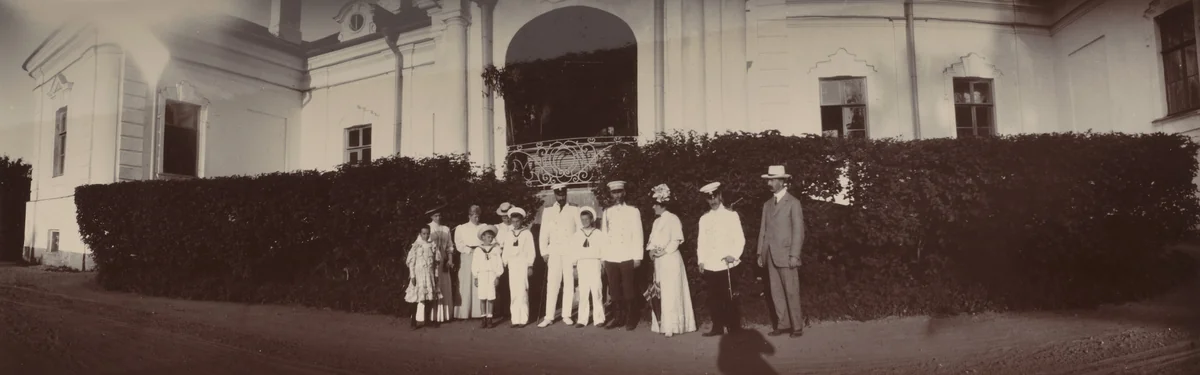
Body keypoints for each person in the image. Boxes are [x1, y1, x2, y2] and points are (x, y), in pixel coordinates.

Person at [757, 165, 806, 338]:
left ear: (782, 181)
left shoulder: (793, 203)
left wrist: (794, 254)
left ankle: (797, 326)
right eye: (768, 180)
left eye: (772, 180)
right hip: (770, 255)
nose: (769, 183)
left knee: (791, 291)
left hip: (786, 255)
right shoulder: (767, 204)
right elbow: (763, 229)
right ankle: (783, 324)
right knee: (776, 291)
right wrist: (760, 253)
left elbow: (798, 231)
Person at [645, 184, 697, 338]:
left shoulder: (673, 218)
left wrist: (664, 251)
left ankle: (673, 326)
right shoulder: (656, 222)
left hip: (671, 259)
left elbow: (676, 239)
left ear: (661, 204)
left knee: (671, 291)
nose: (653, 207)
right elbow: (651, 241)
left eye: (655, 204)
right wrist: (651, 251)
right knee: (660, 290)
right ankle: (662, 324)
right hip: (659, 262)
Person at [697, 182, 746, 337]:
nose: (713, 201)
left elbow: (740, 238)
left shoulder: (731, 215)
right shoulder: (704, 219)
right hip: (711, 264)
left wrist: (734, 255)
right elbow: (701, 241)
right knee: (714, 298)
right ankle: (717, 327)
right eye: (709, 198)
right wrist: (701, 260)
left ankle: (734, 327)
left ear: (720, 196)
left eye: (715, 197)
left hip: (727, 263)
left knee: (729, 297)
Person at [601, 180, 644, 331]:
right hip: (611, 256)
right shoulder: (607, 212)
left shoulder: (633, 211)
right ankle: (618, 318)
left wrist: (638, 256)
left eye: (619, 192)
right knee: (614, 289)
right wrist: (603, 258)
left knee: (628, 288)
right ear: (611, 194)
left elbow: (638, 234)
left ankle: (631, 318)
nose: (617, 195)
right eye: (614, 192)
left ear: (624, 193)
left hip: (627, 255)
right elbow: (604, 236)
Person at [538, 183, 581, 328]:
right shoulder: (548, 211)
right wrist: (544, 252)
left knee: (569, 283)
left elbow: (579, 233)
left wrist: (577, 254)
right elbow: (544, 233)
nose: (561, 197)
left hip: (569, 251)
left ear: (566, 193)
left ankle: (566, 315)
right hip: (554, 252)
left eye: (563, 194)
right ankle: (549, 316)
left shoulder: (575, 209)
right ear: (554, 194)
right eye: (558, 194)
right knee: (552, 284)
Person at [500, 207, 537, 327]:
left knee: (522, 291)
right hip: (512, 265)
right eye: (513, 221)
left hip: (522, 264)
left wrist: (530, 265)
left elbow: (531, 251)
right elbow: (506, 250)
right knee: (514, 292)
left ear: (521, 220)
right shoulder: (509, 234)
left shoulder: (527, 233)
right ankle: (515, 319)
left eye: (518, 221)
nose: (515, 224)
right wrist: (504, 263)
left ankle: (523, 319)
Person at [572, 206, 606, 328]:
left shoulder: (598, 233)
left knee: (596, 290)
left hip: (594, 263)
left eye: (587, 219)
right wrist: (574, 266)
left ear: (592, 219)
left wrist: (603, 263)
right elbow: (574, 251)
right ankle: (582, 319)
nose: (585, 222)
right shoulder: (577, 234)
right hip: (582, 264)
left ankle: (599, 319)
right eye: (582, 219)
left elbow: (603, 249)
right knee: (583, 292)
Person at [406, 226, 441, 330]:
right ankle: (413, 321)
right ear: (420, 234)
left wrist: (436, 275)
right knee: (416, 297)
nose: (426, 236)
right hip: (419, 274)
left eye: (427, 234)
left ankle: (427, 320)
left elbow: (436, 263)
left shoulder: (432, 246)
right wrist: (412, 275)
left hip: (429, 274)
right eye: (424, 234)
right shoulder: (416, 246)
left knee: (429, 297)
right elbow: (411, 262)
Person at [453, 205, 484, 320]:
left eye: (478, 216)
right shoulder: (461, 228)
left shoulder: (483, 226)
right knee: (466, 281)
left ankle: (479, 311)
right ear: (469, 216)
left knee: (479, 280)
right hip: (467, 255)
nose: (477, 219)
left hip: (480, 254)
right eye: (475, 216)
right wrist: (469, 250)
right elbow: (459, 244)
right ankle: (464, 312)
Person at [426, 205, 456, 323]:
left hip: (443, 260)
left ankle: (444, 315)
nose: (438, 218)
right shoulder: (428, 228)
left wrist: (450, 260)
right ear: (431, 217)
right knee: (434, 284)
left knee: (444, 285)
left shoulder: (446, 229)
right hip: (431, 259)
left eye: (439, 215)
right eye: (435, 216)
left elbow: (450, 246)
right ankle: (432, 316)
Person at [472, 224, 505, 329]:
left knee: (490, 297)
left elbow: (499, 263)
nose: (490, 239)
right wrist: (476, 277)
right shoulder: (478, 250)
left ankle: (490, 318)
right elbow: (475, 264)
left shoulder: (496, 249)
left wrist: (498, 276)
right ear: (483, 237)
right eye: (488, 237)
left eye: (491, 237)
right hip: (481, 275)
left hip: (491, 275)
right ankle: (483, 318)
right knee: (482, 297)